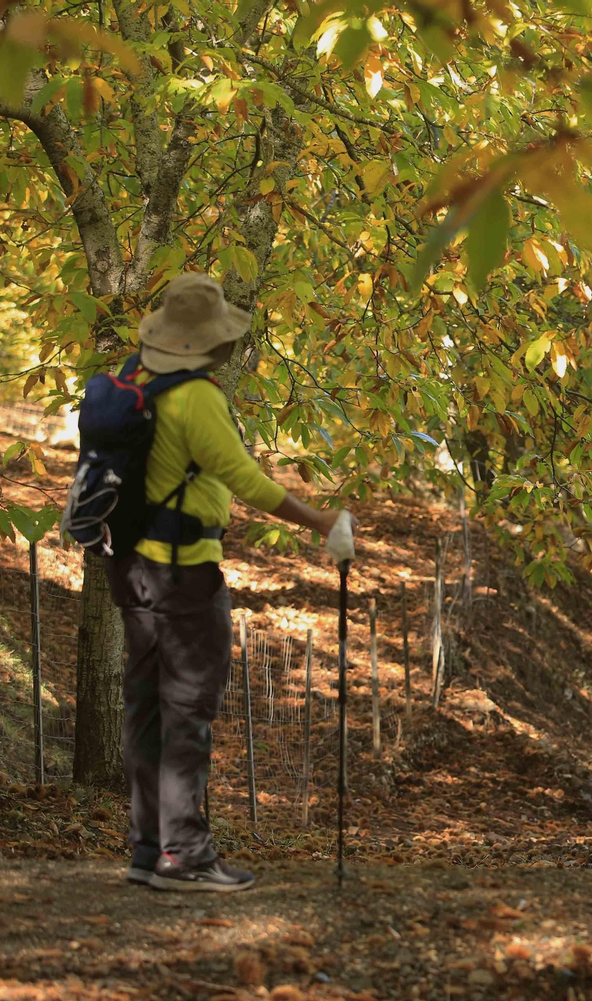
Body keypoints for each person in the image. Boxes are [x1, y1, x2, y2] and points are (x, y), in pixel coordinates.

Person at [110, 273, 356, 892]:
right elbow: (244, 478)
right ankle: (185, 856)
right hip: (182, 573)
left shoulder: (131, 381)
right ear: (208, 343)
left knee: (144, 704)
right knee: (187, 708)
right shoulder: (194, 398)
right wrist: (319, 520)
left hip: (130, 568)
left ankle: (148, 850)